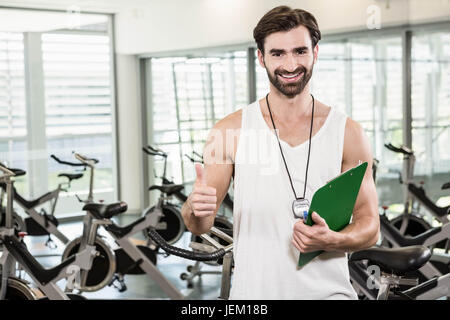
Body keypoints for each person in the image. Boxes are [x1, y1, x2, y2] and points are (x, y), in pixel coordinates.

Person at [181, 5, 380, 300]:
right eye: (278, 53)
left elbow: (371, 228)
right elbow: (199, 222)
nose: (290, 64)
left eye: (300, 51)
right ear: (261, 58)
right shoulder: (230, 130)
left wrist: (336, 239)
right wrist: (195, 209)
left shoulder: (349, 133)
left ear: (315, 53)